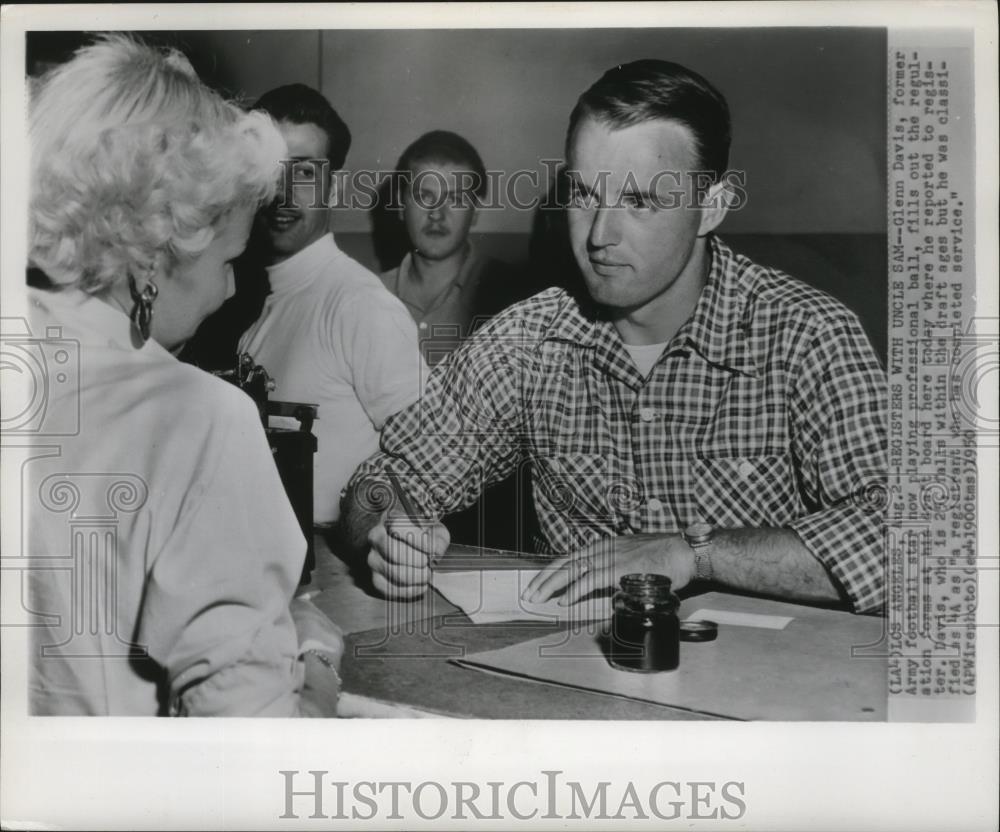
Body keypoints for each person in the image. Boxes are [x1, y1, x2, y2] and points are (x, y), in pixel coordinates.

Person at [342, 59, 887, 615]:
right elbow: (381, 479)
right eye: (583, 195)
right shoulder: (530, 342)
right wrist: (389, 530)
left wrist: (696, 555)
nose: (600, 236)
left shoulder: (807, 336)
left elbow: (913, 536)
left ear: (711, 207)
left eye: (640, 202)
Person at [25, 36, 342, 716]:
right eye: (228, 256)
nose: (230, 290)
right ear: (158, 245)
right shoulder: (199, 416)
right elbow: (255, 761)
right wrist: (312, 671)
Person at [236, 84, 425, 526]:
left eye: (303, 173)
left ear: (333, 188)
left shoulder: (358, 305)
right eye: (271, 171)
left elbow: (434, 462)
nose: (282, 192)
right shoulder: (256, 307)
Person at [379, 130, 527, 367]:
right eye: (424, 196)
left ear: (475, 210)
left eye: (455, 198)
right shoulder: (366, 294)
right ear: (400, 205)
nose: (437, 214)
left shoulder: (514, 298)